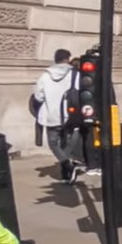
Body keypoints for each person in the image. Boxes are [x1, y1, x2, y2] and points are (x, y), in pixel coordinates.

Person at [33, 49, 82, 184]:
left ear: (55, 59)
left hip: (51, 115)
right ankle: (67, 169)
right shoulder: (75, 75)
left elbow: (38, 96)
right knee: (68, 142)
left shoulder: (45, 76)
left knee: (53, 143)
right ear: (67, 59)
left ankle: (66, 168)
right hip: (70, 115)